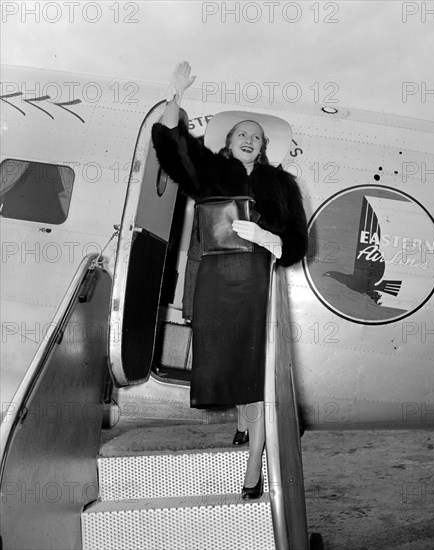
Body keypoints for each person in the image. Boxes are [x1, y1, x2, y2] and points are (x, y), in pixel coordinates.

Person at [152, 61, 308, 499]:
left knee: (253, 366)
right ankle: (243, 421)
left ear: (262, 149)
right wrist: (175, 96)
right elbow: (173, 148)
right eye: (242, 133)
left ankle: (255, 460)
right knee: (225, 357)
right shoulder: (210, 172)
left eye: (256, 137)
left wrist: (268, 236)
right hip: (215, 279)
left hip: (257, 281)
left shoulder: (282, 185)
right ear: (229, 141)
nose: (249, 139)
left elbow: (297, 243)